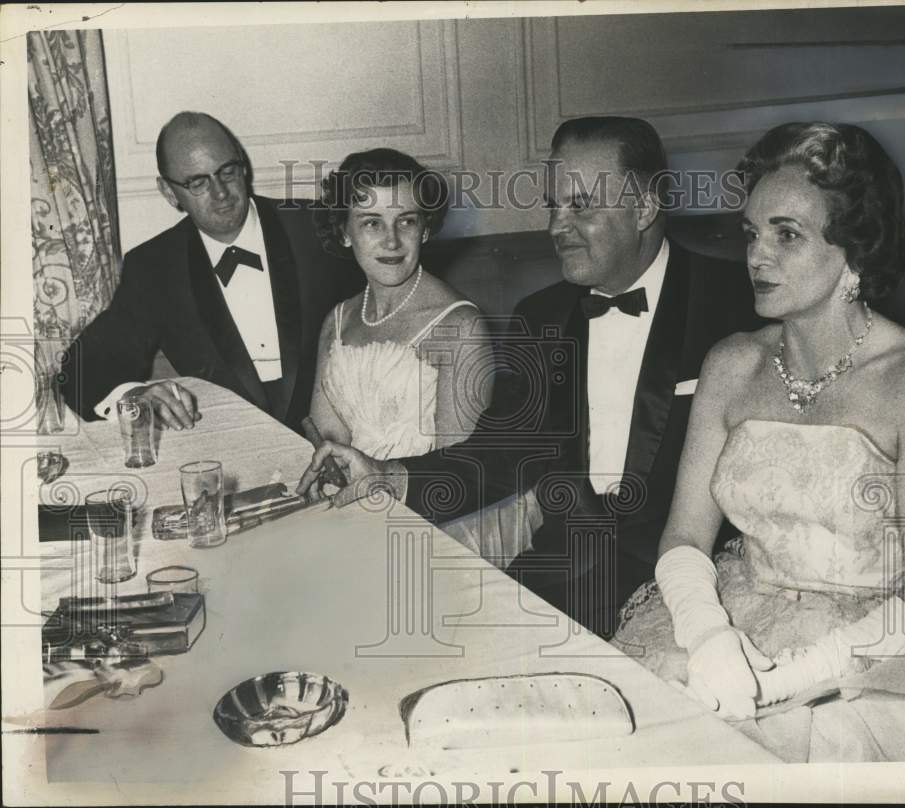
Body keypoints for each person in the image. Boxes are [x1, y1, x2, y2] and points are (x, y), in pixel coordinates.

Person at [612, 122, 905, 762]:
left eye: (787, 234)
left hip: (880, 660)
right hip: (741, 616)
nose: (757, 256)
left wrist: (784, 681)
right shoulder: (731, 363)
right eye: (752, 233)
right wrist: (709, 639)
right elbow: (683, 536)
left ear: (857, 252)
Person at [297, 117, 760, 639]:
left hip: (697, 580)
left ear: (645, 208)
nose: (557, 227)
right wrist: (388, 478)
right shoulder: (541, 316)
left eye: (580, 205)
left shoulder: (738, 304)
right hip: (565, 564)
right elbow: (499, 455)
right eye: (553, 205)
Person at [303, 148, 542, 566]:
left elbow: (464, 478)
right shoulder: (337, 320)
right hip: (360, 506)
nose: (392, 241)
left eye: (406, 221)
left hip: (438, 525)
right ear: (344, 231)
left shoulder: (459, 326)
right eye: (371, 223)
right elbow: (329, 435)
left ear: (426, 230)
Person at [59, 111, 362, 433]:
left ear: (243, 166)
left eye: (227, 172)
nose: (220, 193)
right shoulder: (154, 267)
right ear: (169, 192)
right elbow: (84, 368)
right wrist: (133, 395)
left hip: (340, 434)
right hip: (229, 446)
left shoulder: (316, 226)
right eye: (198, 182)